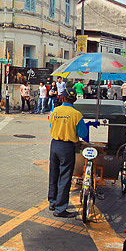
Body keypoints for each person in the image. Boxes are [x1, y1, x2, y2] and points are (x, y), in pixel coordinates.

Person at [48, 88, 89, 218]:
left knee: (54, 174)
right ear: (74, 100)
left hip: (54, 145)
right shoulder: (76, 114)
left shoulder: (55, 111)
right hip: (67, 147)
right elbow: (83, 134)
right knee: (65, 177)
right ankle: (60, 209)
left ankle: (52, 202)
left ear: (63, 98)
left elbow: (51, 126)